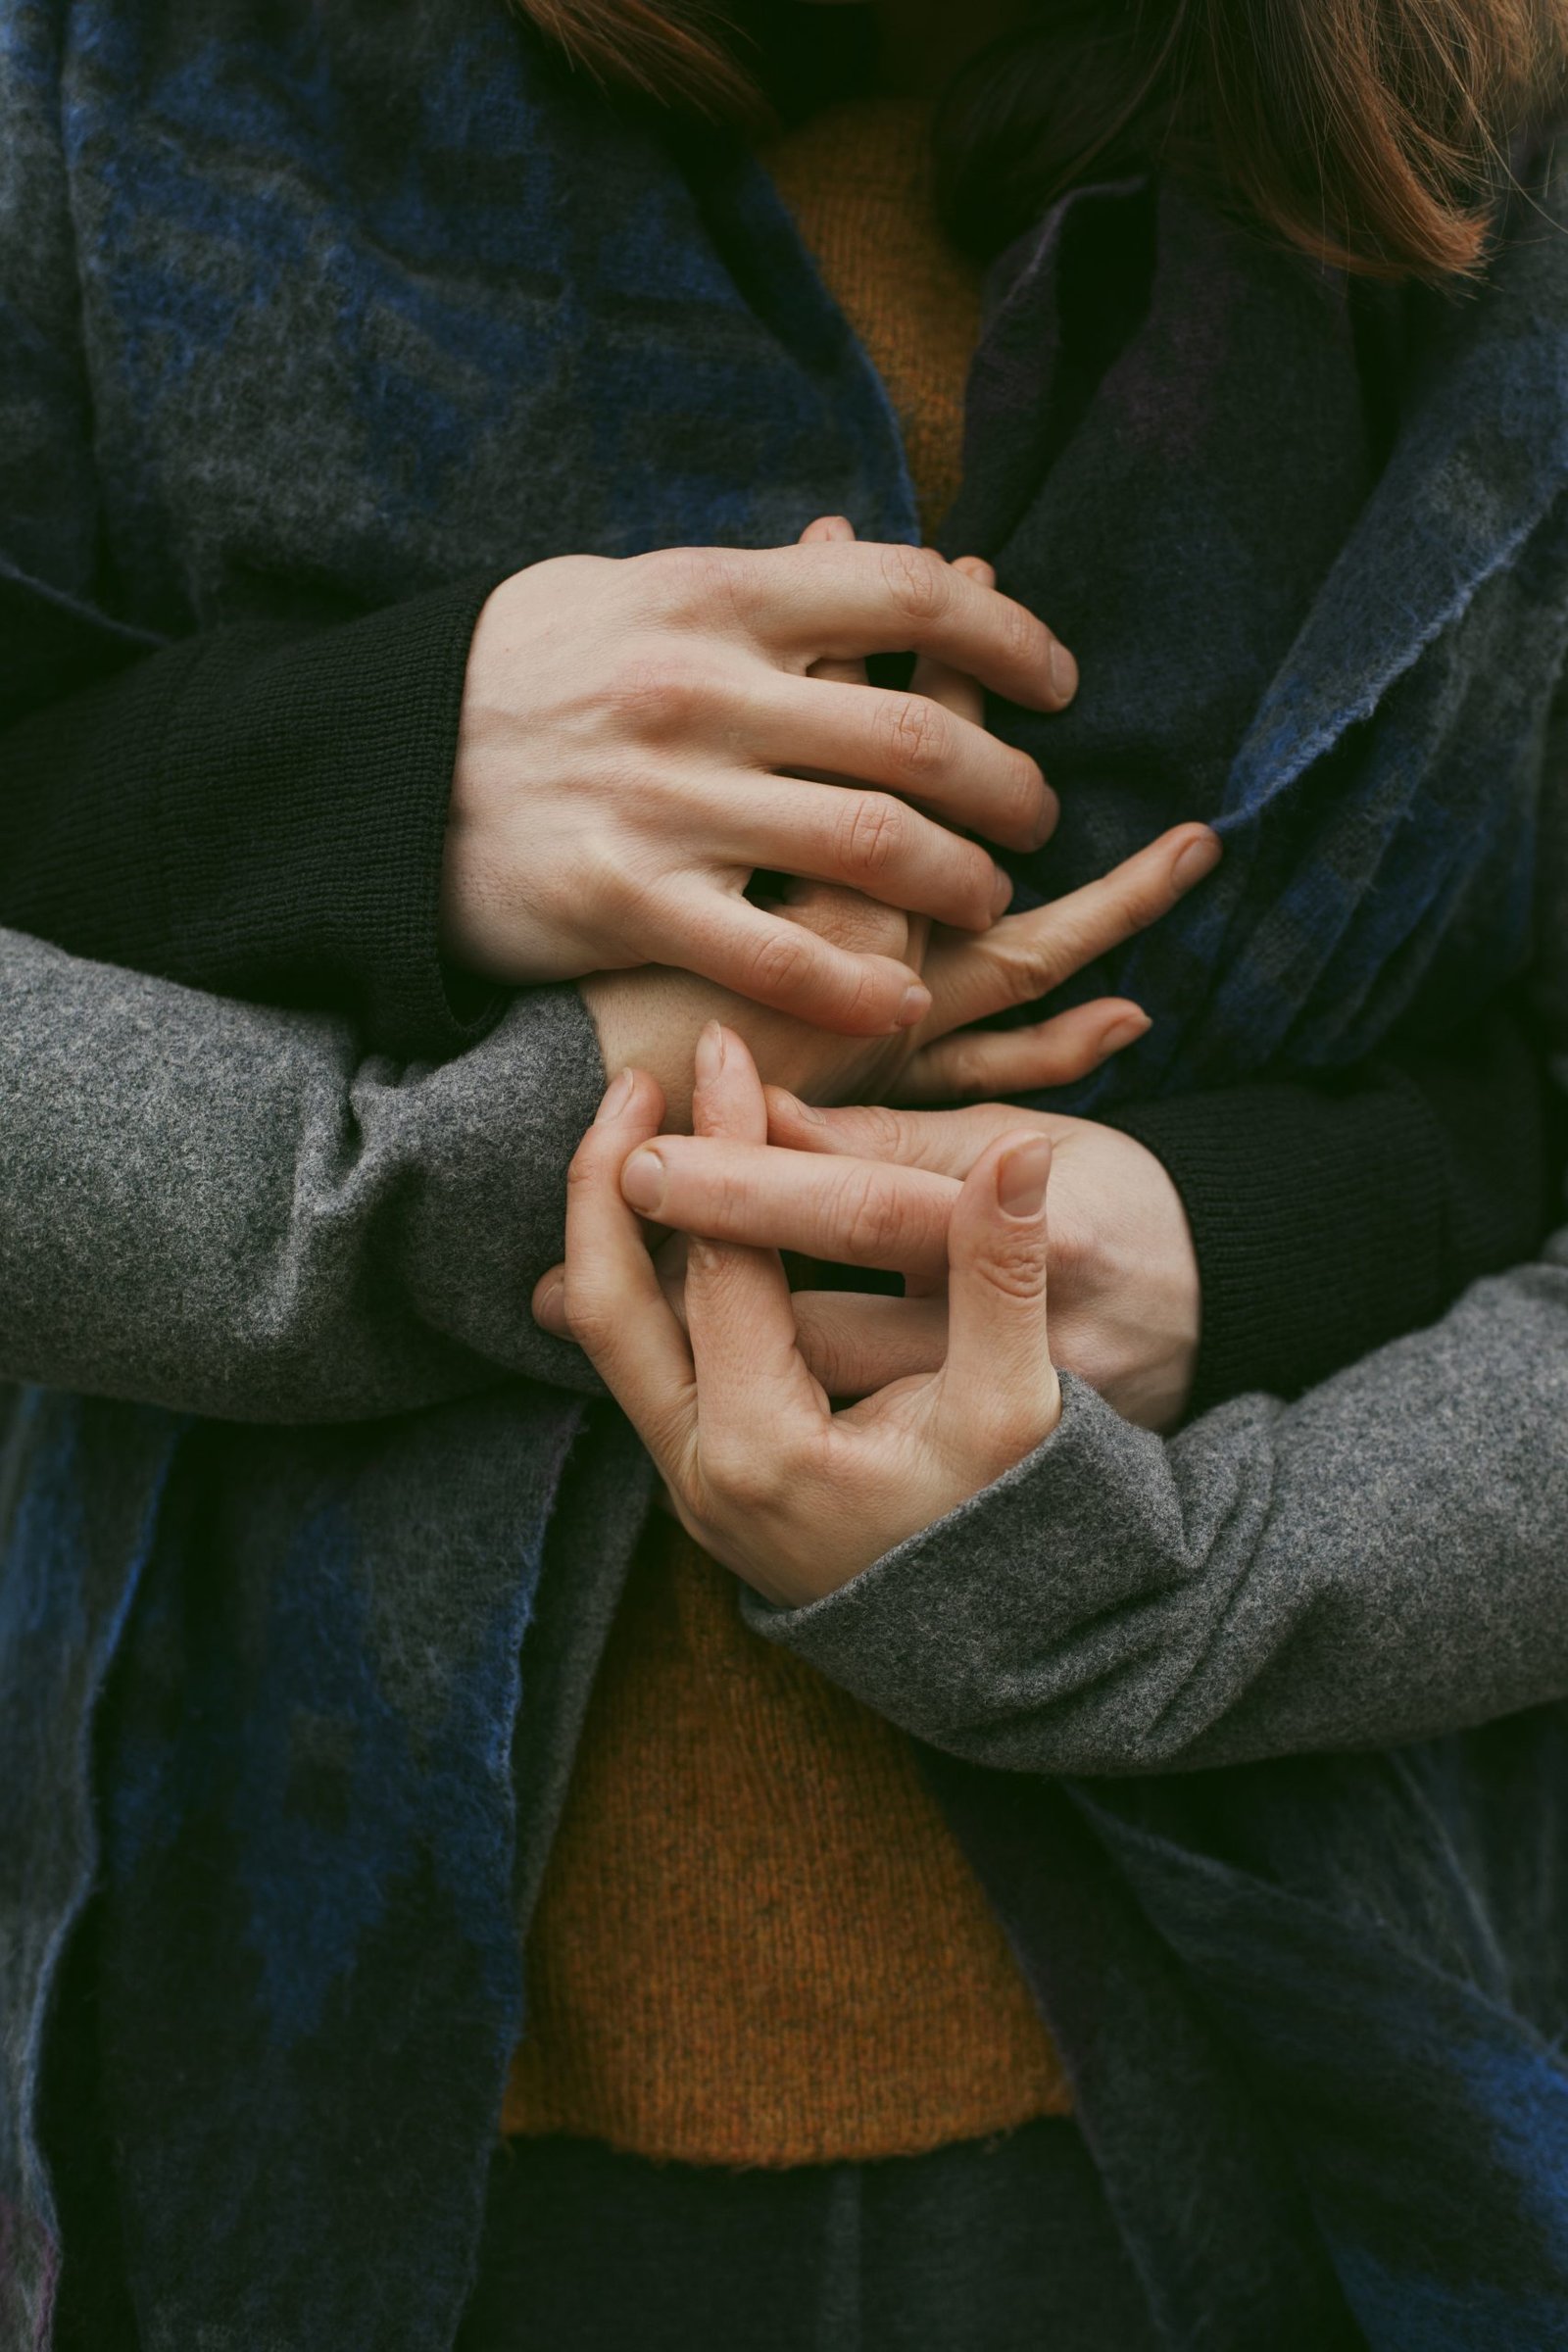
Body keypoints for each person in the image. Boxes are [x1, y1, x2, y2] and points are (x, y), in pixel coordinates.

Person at [0, 0, 1565, 2346]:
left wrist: (1238, 1257)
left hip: (1305, 2108)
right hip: (270, 2092)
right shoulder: (97, 78)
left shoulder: (1480, 118)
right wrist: (378, 783)